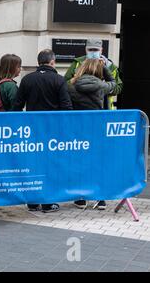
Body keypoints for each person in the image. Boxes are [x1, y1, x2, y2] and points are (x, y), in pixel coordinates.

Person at [13, 49, 73, 213]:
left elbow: (17, 106)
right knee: (51, 166)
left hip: (32, 131)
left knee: (33, 165)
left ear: (39, 62)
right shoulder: (59, 80)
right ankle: (48, 202)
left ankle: (32, 202)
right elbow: (67, 108)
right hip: (53, 132)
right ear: (52, 62)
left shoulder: (27, 79)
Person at [68, 58, 116, 210]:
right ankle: (100, 198)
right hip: (97, 129)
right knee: (97, 162)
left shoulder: (71, 85)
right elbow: (114, 83)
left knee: (79, 162)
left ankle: (80, 198)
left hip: (78, 129)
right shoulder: (101, 86)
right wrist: (105, 68)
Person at [64, 38, 123, 110]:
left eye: (96, 50)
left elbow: (118, 87)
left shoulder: (110, 66)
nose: (93, 52)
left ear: (101, 50)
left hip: (104, 106)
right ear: (86, 50)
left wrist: (105, 88)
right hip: (80, 106)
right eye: (90, 50)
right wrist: (75, 80)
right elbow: (65, 83)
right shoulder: (77, 63)